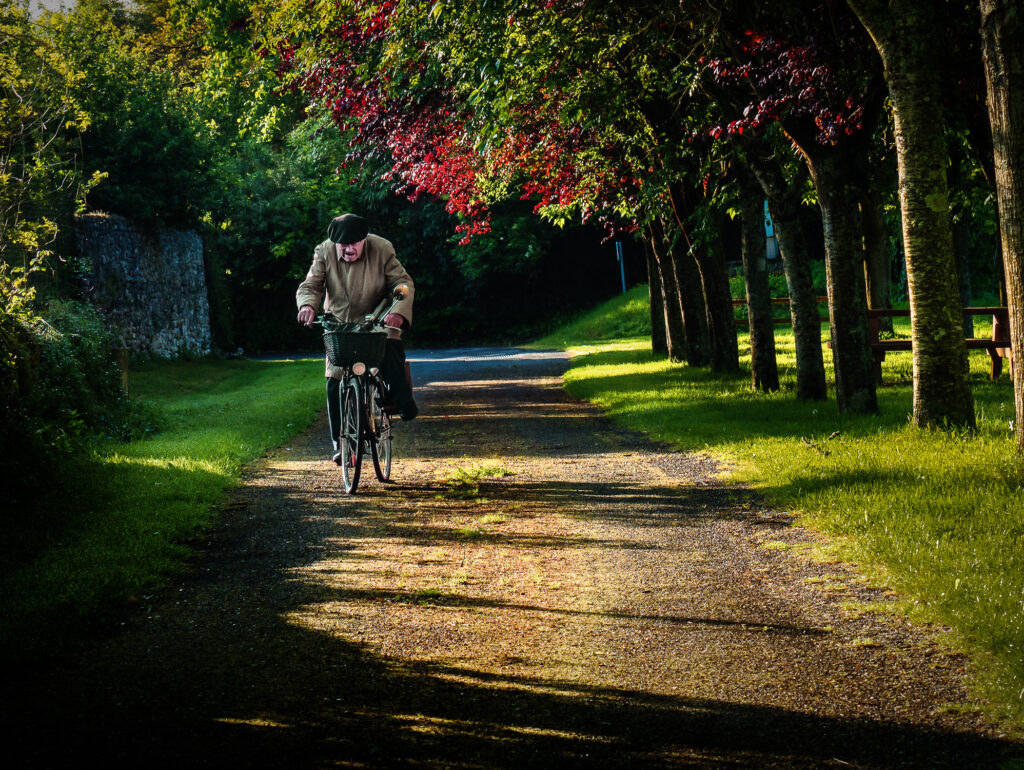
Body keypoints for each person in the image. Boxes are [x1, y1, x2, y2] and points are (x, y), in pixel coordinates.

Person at [297, 213, 418, 464]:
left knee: (390, 354)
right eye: (343, 245)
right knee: (334, 381)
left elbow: (402, 283)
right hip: (341, 325)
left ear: (364, 240)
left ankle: (402, 400)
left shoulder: (382, 248)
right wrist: (307, 306)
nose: (348, 249)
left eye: (354, 243)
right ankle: (341, 445)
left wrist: (396, 313)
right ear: (334, 243)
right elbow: (312, 285)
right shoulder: (324, 252)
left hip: (378, 318)